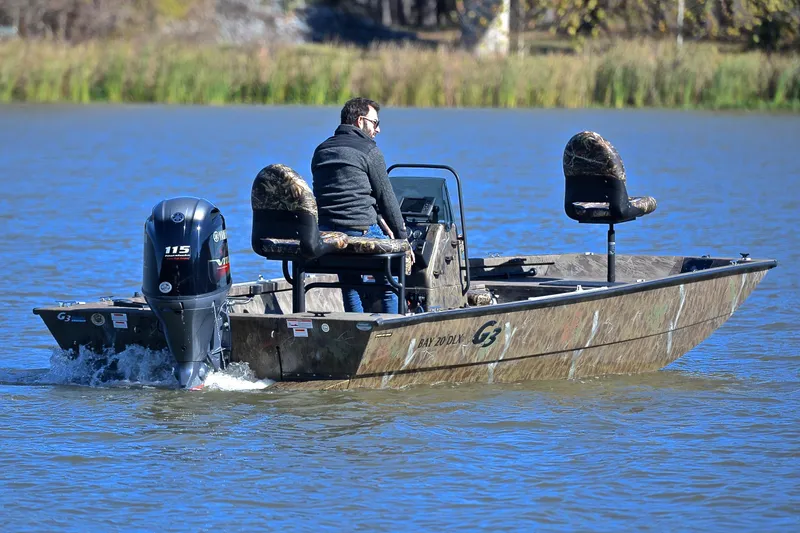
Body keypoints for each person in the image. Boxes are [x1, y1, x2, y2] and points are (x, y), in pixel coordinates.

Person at [311, 97, 408, 314]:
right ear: (360, 121)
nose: (379, 129)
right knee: (389, 284)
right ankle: (393, 329)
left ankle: (353, 328)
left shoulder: (321, 150)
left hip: (327, 236)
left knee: (349, 284)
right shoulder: (369, 151)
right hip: (361, 231)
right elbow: (388, 200)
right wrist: (403, 238)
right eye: (375, 123)